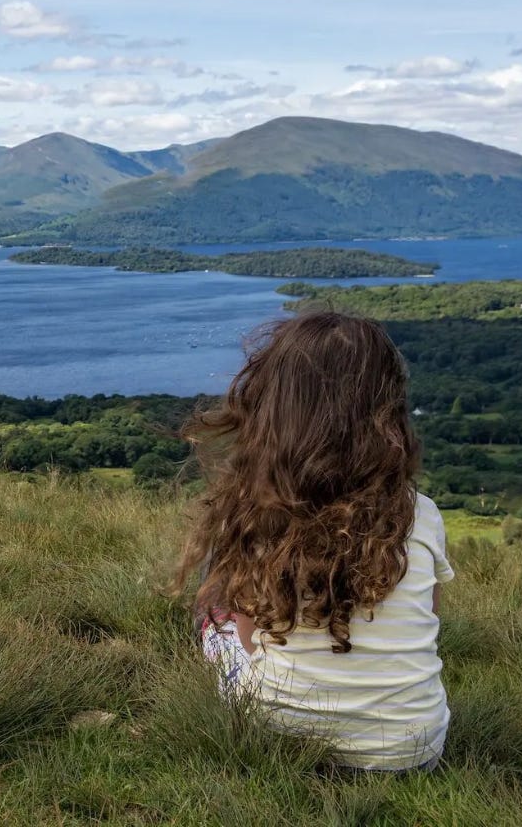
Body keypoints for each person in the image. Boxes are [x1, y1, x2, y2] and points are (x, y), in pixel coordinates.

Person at [174, 311, 454, 772]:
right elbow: (431, 619)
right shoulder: (420, 513)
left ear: (275, 407)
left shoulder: (257, 513)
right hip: (412, 752)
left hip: (277, 737)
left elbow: (249, 640)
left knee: (215, 614)